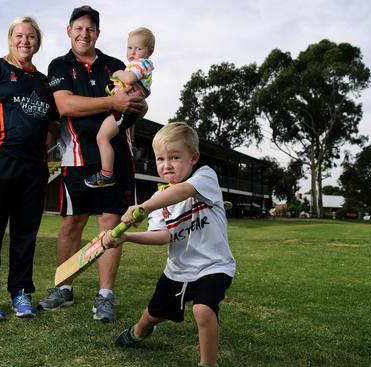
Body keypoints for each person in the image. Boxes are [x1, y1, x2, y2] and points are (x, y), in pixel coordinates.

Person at [37, 5, 148, 322]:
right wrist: (113, 102)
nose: (84, 33)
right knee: (72, 224)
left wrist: (136, 103)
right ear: (68, 30)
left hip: (118, 159)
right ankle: (64, 288)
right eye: (79, 27)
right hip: (76, 159)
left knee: (110, 227)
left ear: (97, 33)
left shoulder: (115, 65)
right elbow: (65, 104)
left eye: (91, 29)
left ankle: (105, 296)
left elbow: (136, 103)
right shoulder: (59, 65)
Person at [103, 122, 235, 367]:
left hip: (215, 266)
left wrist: (142, 207)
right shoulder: (157, 200)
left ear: (193, 157)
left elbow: (183, 192)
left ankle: (208, 363)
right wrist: (126, 237)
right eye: (160, 159)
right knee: (153, 315)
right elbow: (162, 236)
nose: (167, 165)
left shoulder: (204, 176)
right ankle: (140, 331)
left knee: (203, 310)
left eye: (175, 157)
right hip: (178, 270)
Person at [0, 16, 58, 322]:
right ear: (10, 38)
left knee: (25, 235)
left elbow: (54, 125)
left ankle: (22, 293)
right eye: (19, 35)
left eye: (31, 37)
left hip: (33, 169)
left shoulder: (44, 83)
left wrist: (43, 149)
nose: (25, 41)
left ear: (38, 42)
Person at [85, 27, 155, 189]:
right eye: (130, 47)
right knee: (104, 136)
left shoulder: (141, 64)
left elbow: (130, 78)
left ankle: (106, 174)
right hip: (123, 108)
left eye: (138, 48)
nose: (133, 52)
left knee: (102, 137)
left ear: (149, 52)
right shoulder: (135, 64)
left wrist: (117, 73)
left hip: (124, 109)